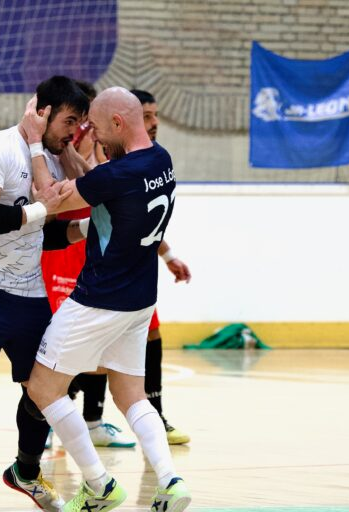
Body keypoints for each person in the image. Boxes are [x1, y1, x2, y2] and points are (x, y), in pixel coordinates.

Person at [25, 87, 191, 512]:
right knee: (131, 394)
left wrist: (32, 142)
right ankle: (171, 482)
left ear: (118, 123)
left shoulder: (115, 176)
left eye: (97, 130)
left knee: (42, 386)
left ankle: (98, 484)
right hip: (139, 301)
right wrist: (81, 161)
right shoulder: (161, 160)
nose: (92, 138)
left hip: (99, 298)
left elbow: (54, 198)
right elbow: (97, 184)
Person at [0, 76, 89, 512]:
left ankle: (25, 470)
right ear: (42, 113)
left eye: (80, 123)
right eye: (69, 121)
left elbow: (46, 234)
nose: (74, 131)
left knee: (44, 392)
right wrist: (44, 209)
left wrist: (83, 229)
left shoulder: (56, 161)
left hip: (27, 291)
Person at [42, 80, 136, 450]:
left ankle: (93, 420)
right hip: (60, 242)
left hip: (91, 243)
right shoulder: (65, 142)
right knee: (57, 340)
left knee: (99, 342)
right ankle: (51, 416)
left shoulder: (104, 147)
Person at [130, 89, 192, 445]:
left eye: (155, 115)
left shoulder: (155, 158)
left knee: (151, 334)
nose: (154, 124)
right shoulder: (111, 155)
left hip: (136, 268)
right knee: (85, 351)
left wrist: (168, 256)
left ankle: (156, 416)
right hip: (89, 261)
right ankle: (64, 415)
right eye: (147, 116)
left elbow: (145, 221)